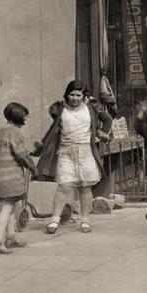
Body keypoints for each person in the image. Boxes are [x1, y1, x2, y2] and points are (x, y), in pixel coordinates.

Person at [36, 80, 112, 235]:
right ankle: (54, 219)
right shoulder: (60, 109)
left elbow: (107, 119)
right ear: (67, 94)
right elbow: (53, 116)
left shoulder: (91, 108)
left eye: (78, 95)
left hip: (85, 150)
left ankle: (85, 220)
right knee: (64, 186)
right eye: (72, 94)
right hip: (66, 151)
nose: (75, 98)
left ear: (84, 96)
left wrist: (102, 132)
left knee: (85, 187)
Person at [0, 102, 36, 254]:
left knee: (10, 205)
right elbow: (21, 154)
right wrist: (32, 167)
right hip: (10, 176)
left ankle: (11, 237)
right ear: (19, 117)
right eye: (25, 116)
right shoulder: (15, 132)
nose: (27, 119)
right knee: (7, 208)